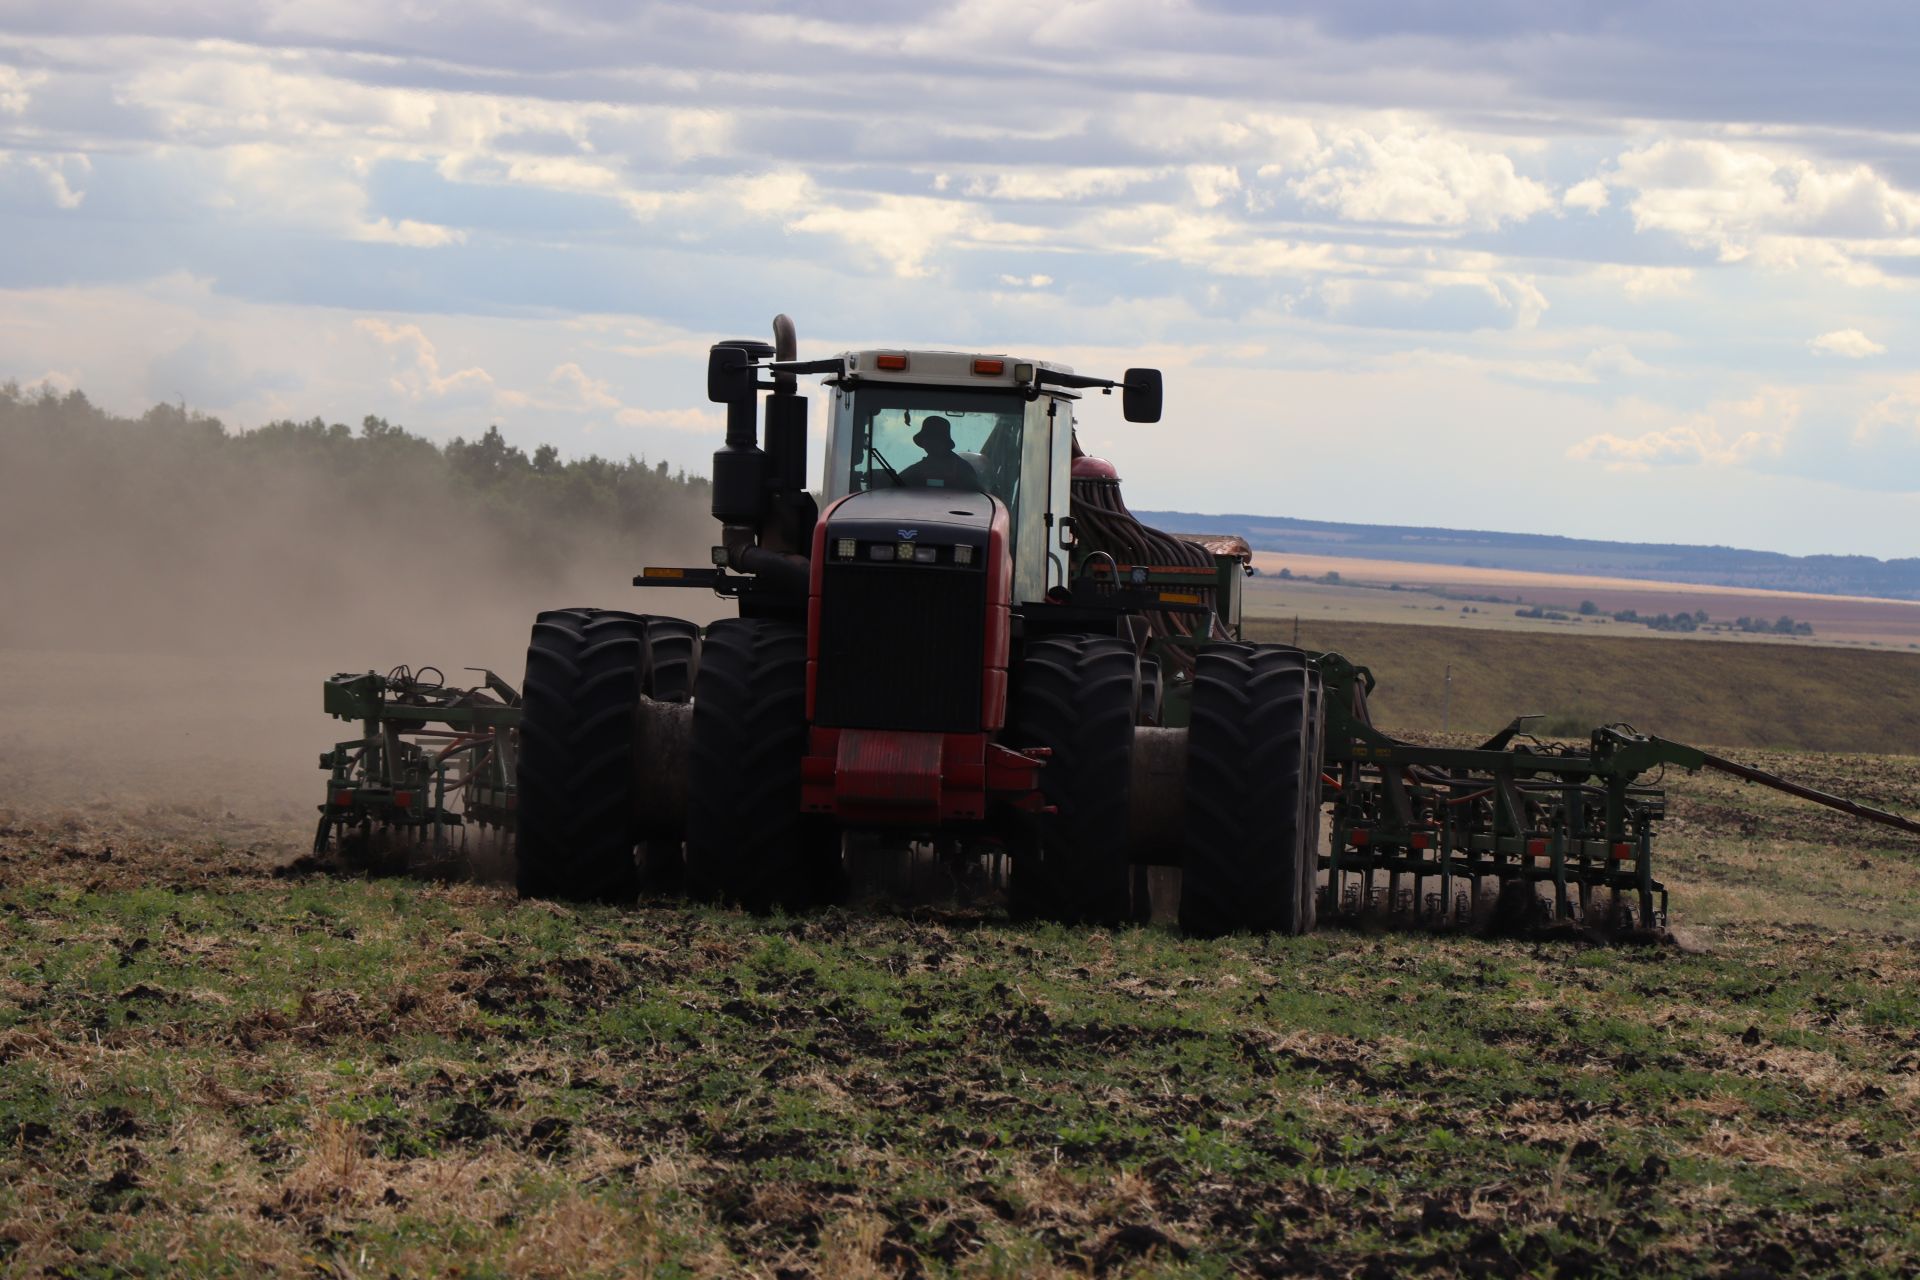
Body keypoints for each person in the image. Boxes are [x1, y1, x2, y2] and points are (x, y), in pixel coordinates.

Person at [896, 415, 981, 490]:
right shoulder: (916, 469)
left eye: (934, 438)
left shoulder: (963, 469)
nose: (928, 442)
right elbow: (895, 484)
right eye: (927, 438)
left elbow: (976, 494)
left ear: (944, 442)